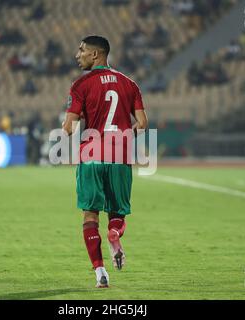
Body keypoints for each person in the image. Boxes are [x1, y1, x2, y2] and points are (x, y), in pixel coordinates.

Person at [62, 36, 148, 288]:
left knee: (90, 214)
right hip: (120, 156)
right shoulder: (129, 84)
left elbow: (68, 128)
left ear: (96, 55)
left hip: (91, 156)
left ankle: (100, 272)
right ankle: (114, 234)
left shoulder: (80, 85)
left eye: (82, 50)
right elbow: (142, 123)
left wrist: (70, 125)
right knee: (117, 212)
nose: (78, 55)